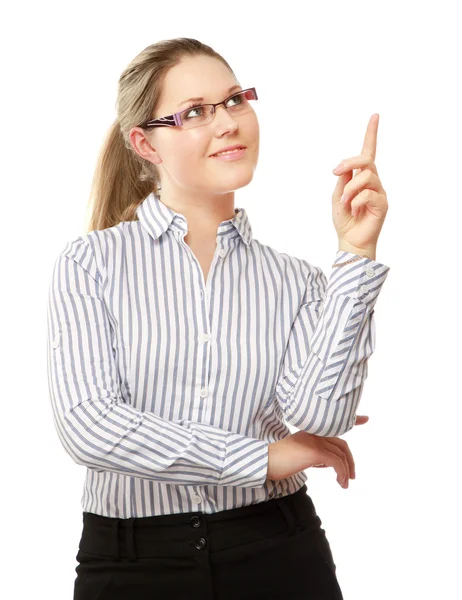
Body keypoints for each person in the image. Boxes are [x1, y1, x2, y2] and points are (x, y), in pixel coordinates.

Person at [47, 37, 390, 600]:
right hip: (131, 563)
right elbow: (90, 426)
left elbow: (319, 416)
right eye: (195, 112)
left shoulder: (296, 280)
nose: (228, 122)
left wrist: (355, 254)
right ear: (145, 143)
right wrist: (261, 457)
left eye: (235, 100)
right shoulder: (92, 263)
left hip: (279, 550)